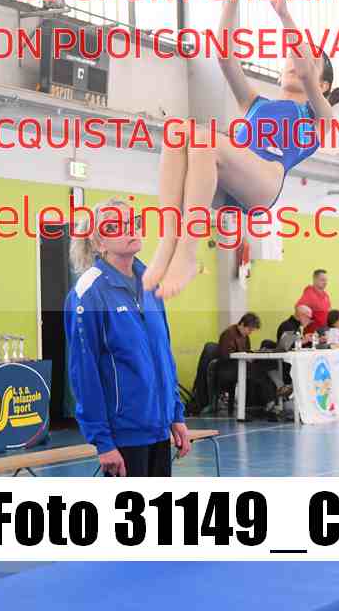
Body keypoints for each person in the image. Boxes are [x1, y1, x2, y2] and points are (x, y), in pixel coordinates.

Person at [142, 0, 339, 300]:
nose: (293, 61)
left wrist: (284, 14)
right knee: (178, 132)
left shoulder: (317, 115)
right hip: (225, 181)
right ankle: (169, 241)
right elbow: (223, 56)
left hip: (264, 181)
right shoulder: (255, 104)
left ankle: (187, 253)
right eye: (290, 55)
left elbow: (307, 74)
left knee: (204, 139)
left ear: (323, 84)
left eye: (306, 59)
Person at [64, 199, 190, 478]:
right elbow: (84, 373)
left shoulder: (151, 284)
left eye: (133, 222)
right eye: (115, 226)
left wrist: (175, 415)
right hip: (123, 436)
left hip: (159, 429)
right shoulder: (88, 292)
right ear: (99, 242)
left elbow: (163, 354)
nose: (130, 229)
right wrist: (103, 442)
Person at [216, 313, 261, 413]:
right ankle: (256, 406)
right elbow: (225, 355)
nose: (250, 332)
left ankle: (261, 404)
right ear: (242, 324)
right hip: (228, 368)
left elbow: (246, 352)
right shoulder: (228, 334)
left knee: (262, 369)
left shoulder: (245, 336)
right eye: (249, 329)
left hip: (240, 366)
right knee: (257, 373)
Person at [296, 269, 332, 333]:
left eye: (326, 280)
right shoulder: (309, 293)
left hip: (324, 331)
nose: (325, 282)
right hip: (313, 333)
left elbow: (328, 311)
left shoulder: (326, 295)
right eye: (322, 280)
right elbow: (298, 308)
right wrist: (308, 321)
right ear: (314, 280)